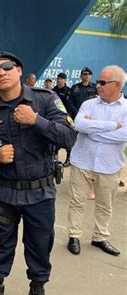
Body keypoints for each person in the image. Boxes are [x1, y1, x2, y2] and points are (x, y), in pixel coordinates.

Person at [0, 51, 76, 295]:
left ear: (19, 70)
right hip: (4, 191)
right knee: (2, 243)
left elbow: (70, 137)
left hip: (40, 192)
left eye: (7, 67)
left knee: (39, 244)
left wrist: (37, 120)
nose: (1, 72)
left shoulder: (45, 100)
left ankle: (37, 290)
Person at [66, 65, 126, 257]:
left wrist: (94, 132)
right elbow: (79, 124)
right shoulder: (89, 104)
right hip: (82, 161)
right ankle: (74, 236)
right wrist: (111, 126)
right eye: (98, 82)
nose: (97, 86)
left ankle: (100, 237)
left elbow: (124, 134)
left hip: (109, 165)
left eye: (102, 82)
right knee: (77, 201)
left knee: (105, 204)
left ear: (117, 85)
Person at [64, 67, 98, 167]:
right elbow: (69, 103)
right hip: (77, 119)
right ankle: (69, 159)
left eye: (88, 74)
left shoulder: (95, 88)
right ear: (81, 76)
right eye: (84, 74)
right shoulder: (75, 88)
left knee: (91, 140)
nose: (86, 76)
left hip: (91, 120)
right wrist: (78, 114)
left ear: (91, 76)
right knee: (73, 139)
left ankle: (88, 160)